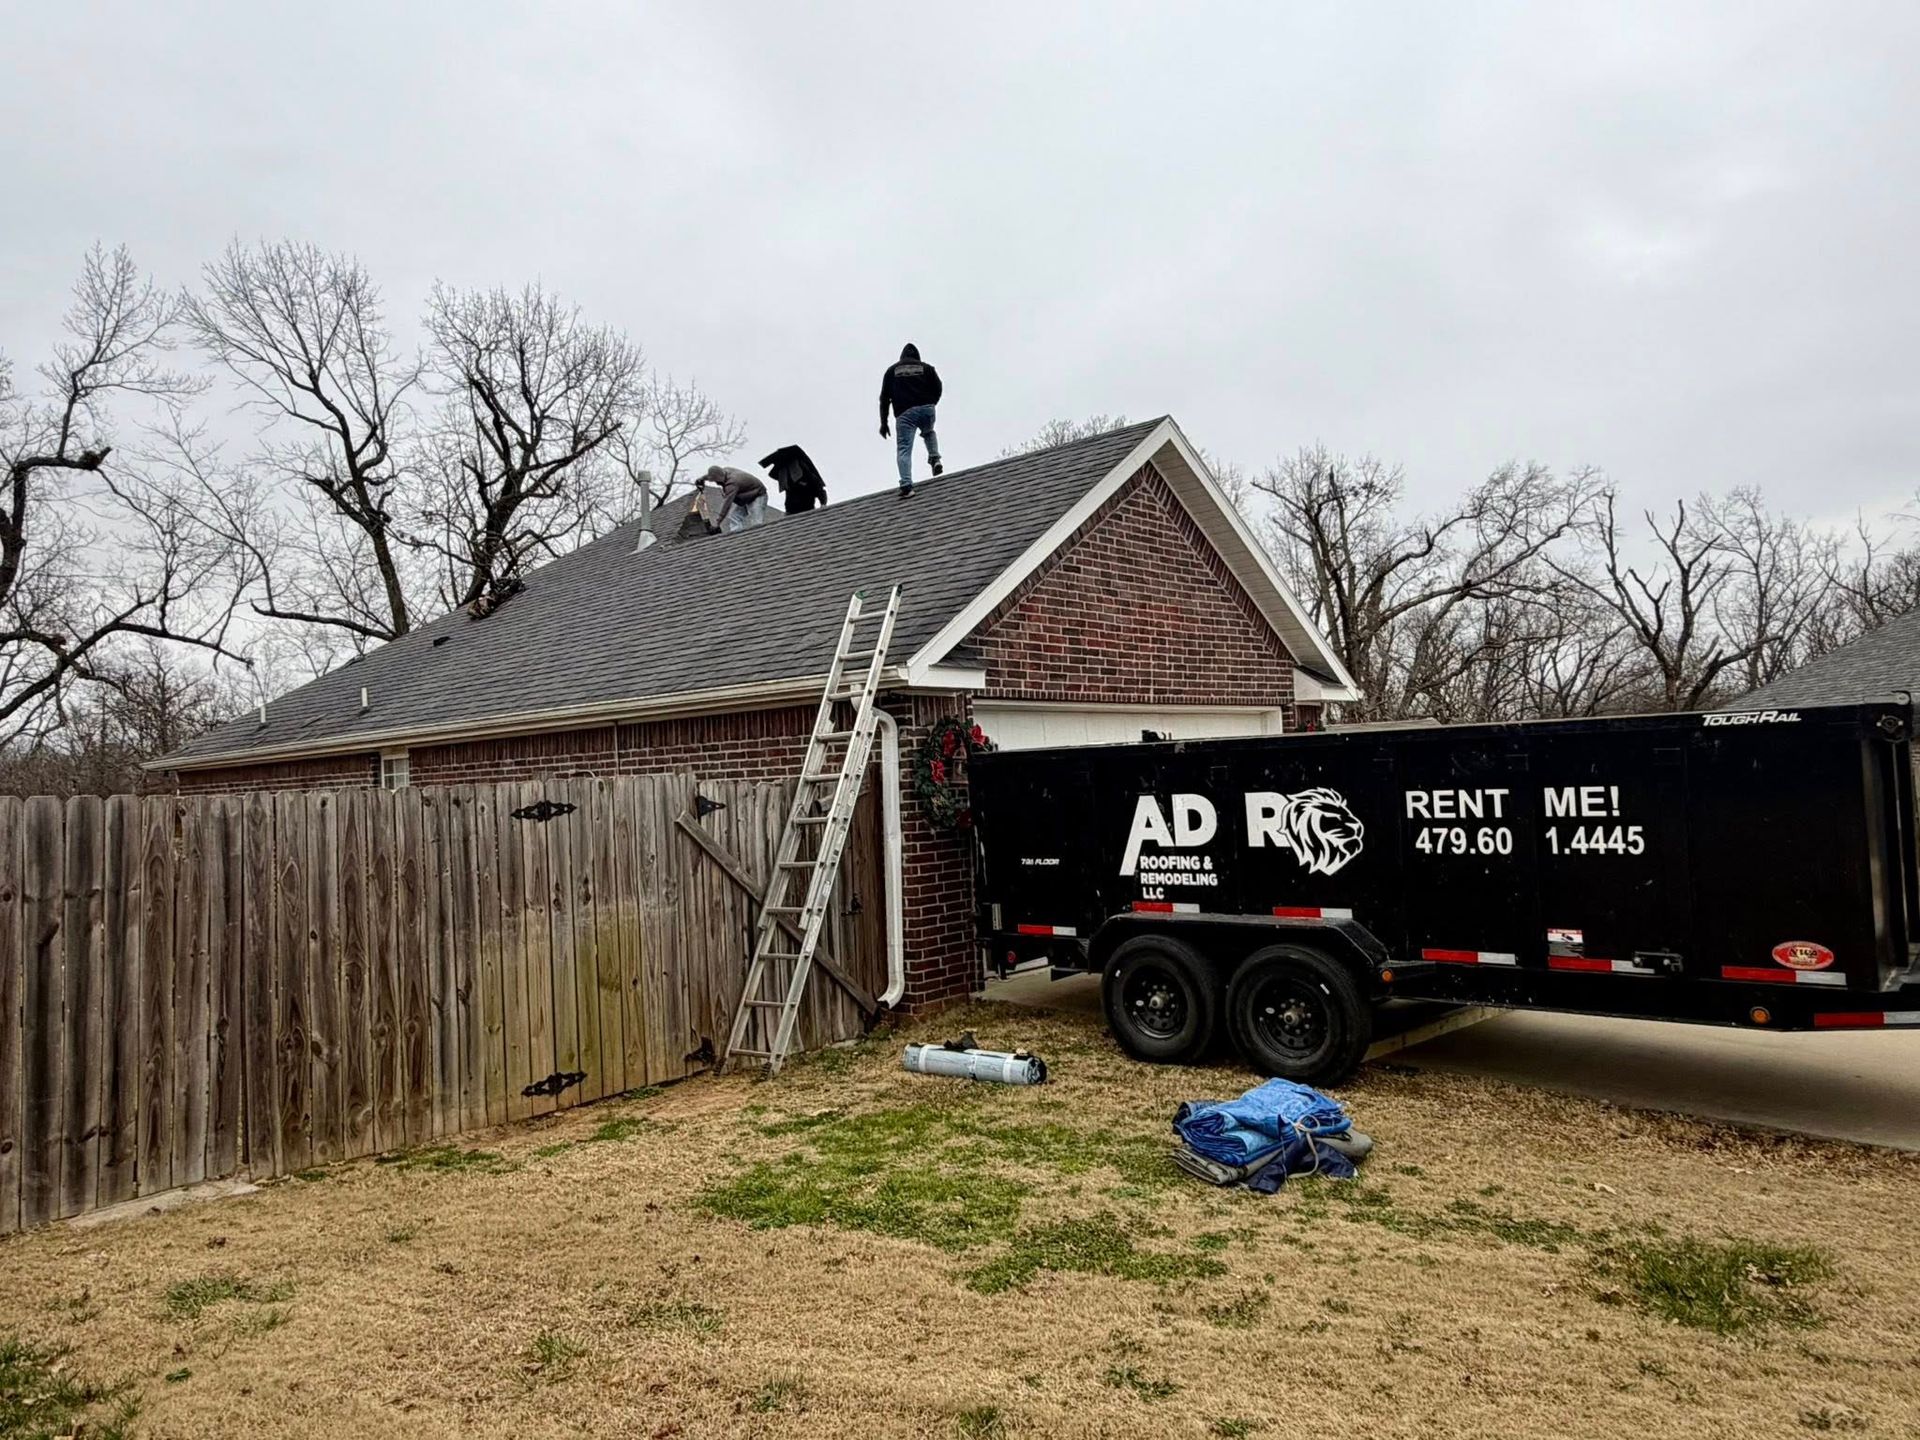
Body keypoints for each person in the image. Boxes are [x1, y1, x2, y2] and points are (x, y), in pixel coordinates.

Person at [878, 342, 943, 494]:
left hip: (905, 413)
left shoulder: (891, 371)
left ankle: (906, 484)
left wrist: (884, 422)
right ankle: (935, 459)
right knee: (929, 432)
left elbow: (884, 398)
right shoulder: (927, 368)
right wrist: (932, 403)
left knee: (904, 449)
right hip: (927, 408)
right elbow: (938, 387)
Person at [697, 465, 769, 533]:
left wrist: (717, 523)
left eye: (716, 481)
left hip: (758, 496)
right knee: (734, 517)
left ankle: (759, 536)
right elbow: (712, 474)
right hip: (747, 496)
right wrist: (701, 479)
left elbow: (727, 504)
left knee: (756, 521)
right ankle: (737, 538)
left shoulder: (732, 484)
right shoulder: (724, 471)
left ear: (720, 479)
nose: (716, 483)